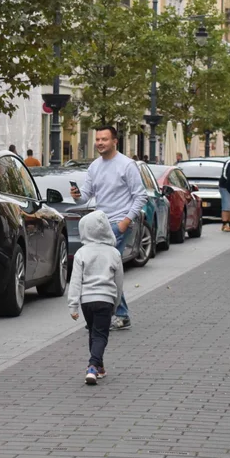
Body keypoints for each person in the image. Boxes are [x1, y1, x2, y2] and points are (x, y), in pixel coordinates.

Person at [68, 126, 147, 331]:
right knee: (106, 269)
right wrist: (77, 195)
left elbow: (140, 196)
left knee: (106, 269)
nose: (100, 143)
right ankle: (114, 314)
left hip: (118, 223)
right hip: (100, 224)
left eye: (104, 139)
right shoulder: (94, 166)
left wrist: (126, 221)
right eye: (98, 139)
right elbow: (87, 194)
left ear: (115, 142)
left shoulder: (127, 165)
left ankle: (114, 314)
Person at [68, 211, 124, 385]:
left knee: (93, 332)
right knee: (101, 335)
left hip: (86, 301)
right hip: (106, 299)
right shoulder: (114, 253)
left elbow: (75, 280)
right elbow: (119, 281)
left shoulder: (81, 253)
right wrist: (116, 304)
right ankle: (92, 366)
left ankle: (100, 367)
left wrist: (73, 305)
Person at [218, 151, 230, 233]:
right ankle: (224, 224)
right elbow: (225, 174)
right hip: (225, 187)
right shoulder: (229, 162)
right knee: (227, 205)